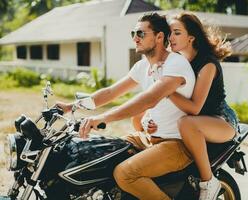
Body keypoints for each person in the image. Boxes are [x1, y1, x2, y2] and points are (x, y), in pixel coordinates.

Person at [57, 12, 195, 200]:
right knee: (102, 154)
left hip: (176, 144)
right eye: (133, 33)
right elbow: (110, 93)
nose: (135, 38)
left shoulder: (176, 64)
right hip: (147, 138)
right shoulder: (143, 66)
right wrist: (70, 106)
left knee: (124, 174)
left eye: (140, 33)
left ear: (160, 37)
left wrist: (102, 118)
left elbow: (149, 99)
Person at [132, 12, 240, 200]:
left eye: (176, 33)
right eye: (170, 33)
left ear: (191, 37)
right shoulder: (177, 62)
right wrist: (153, 120)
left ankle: (209, 182)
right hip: (196, 122)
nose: (170, 37)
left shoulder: (208, 64)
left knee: (186, 123)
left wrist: (166, 88)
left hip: (220, 120)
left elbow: (194, 108)